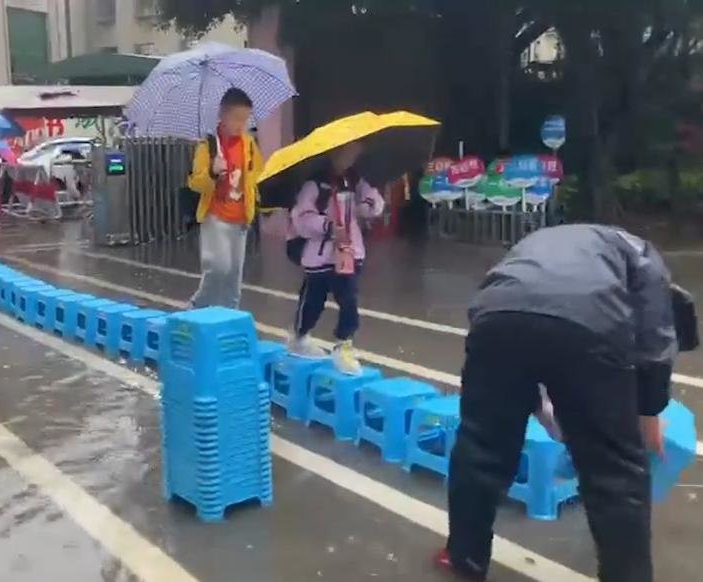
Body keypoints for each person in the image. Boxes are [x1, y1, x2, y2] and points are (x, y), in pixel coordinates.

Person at [439, 224, 696, 582]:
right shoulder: (645, 258)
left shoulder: (549, 242)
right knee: (615, 472)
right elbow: (655, 341)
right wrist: (648, 413)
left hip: (496, 318)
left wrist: (527, 400)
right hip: (589, 322)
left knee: (481, 447)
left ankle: (464, 558)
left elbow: (518, 315)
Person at [286, 142, 384, 374]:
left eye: (355, 153)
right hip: (319, 257)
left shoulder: (354, 180)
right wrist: (328, 226)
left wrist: (366, 206)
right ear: (333, 151)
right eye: (346, 152)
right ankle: (299, 336)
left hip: (349, 253)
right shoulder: (315, 184)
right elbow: (301, 218)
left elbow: (375, 202)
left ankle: (344, 343)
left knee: (349, 299)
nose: (350, 158)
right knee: (312, 301)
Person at [186, 88, 264, 309]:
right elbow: (195, 183)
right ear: (222, 115)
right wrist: (212, 171)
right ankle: (198, 304)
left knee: (233, 279)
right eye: (237, 118)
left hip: (241, 218)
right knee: (219, 267)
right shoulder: (208, 145)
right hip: (216, 215)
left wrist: (261, 198)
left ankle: (231, 318)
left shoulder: (248, 144)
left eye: (245, 119)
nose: (241, 124)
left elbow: (257, 174)